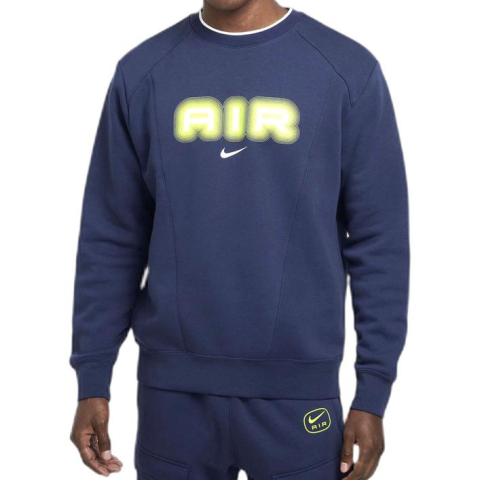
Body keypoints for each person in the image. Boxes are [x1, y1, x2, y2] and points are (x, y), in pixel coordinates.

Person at [69, 1, 409, 479]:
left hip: (298, 396)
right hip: (174, 400)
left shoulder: (346, 70)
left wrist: (372, 393)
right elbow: (111, 236)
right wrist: (93, 379)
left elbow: (380, 242)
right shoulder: (143, 72)